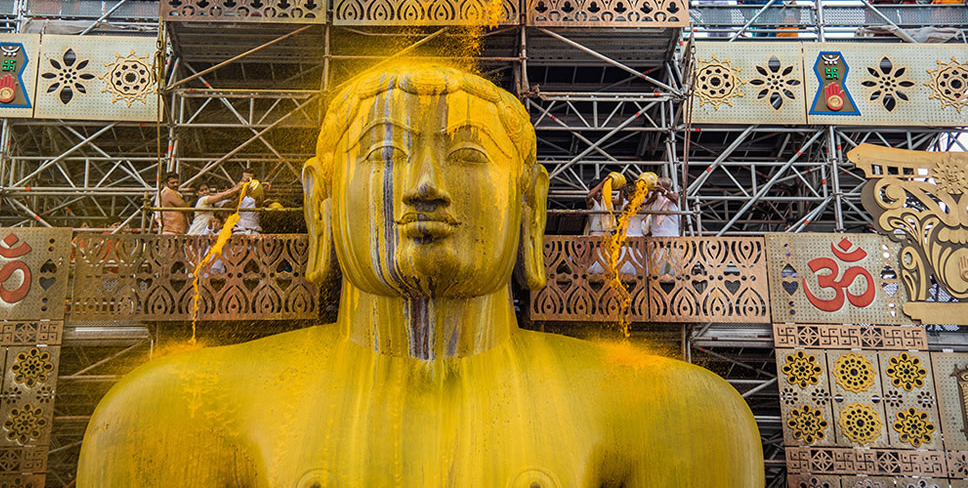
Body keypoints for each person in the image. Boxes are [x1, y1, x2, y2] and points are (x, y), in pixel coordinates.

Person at [78, 63, 763, 487]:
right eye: (384, 152)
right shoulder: (175, 412)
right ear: (320, 203)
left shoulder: (675, 413)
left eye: (468, 155)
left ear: (530, 206)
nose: (426, 186)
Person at [232, 169, 265, 235]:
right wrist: (241, 193)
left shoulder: (258, 193)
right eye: (244, 180)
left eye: (249, 180)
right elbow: (230, 205)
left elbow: (259, 204)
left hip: (253, 230)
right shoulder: (235, 191)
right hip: (238, 230)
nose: (246, 183)